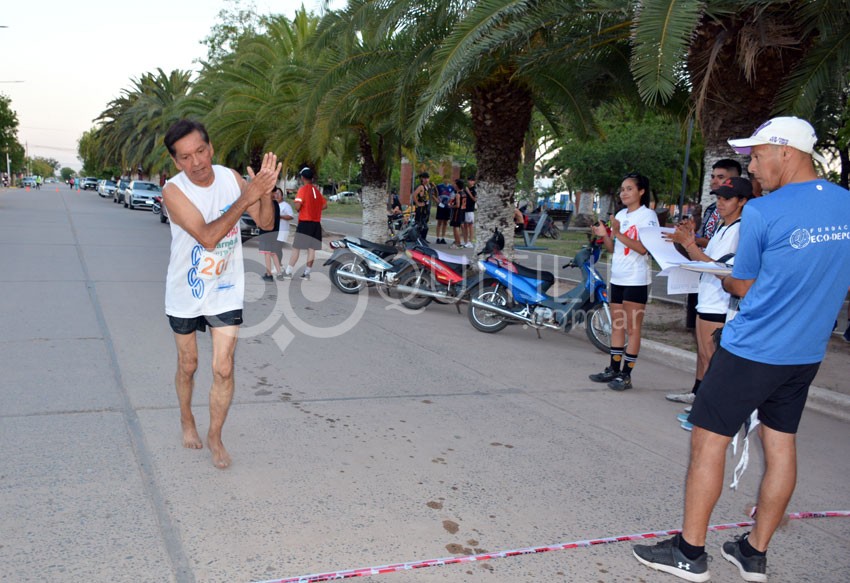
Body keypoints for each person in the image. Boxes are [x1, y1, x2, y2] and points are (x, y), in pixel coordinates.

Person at [632, 117, 850, 582]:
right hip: (805, 352)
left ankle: (689, 553)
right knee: (780, 442)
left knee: (707, 440)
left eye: (756, 155)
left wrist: (724, 277)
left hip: (753, 347)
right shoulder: (846, 204)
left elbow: (744, 285)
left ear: (785, 152)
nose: (752, 166)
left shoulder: (764, 212)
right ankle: (754, 552)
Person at [161, 119, 280, 469]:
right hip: (186, 290)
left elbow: (267, 223)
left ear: (211, 147)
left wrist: (265, 193)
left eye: (200, 151)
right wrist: (248, 196)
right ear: (176, 162)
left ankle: (215, 435)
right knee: (189, 364)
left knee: (223, 369)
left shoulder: (230, 177)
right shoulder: (173, 191)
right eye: (185, 157)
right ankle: (187, 419)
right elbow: (209, 237)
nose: (196, 162)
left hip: (225, 288)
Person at [664, 177, 753, 421]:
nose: (721, 203)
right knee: (704, 355)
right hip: (707, 298)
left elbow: (723, 269)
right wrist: (688, 243)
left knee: (716, 360)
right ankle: (700, 397)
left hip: (721, 303)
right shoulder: (723, 228)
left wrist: (690, 246)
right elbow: (707, 259)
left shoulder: (741, 230)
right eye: (719, 198)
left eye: (727, 199)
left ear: (743, 201)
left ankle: (714, 412)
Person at [589, 172, 658, 391]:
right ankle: (613, 369)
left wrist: (616, 231)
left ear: (641, 191)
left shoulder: (648, 216)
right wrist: (605, 235)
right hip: (617, 277)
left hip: (636, 279)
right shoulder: (620, 214)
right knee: (616, 326)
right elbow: (613, 249)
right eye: (622, 189)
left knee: (632, 328)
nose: (624, 193)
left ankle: (626, 375)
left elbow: (643, 248)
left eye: (629, 188)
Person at [283, 167, 327, 280]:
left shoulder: (303, 190)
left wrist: (301, 208)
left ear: (302, 177)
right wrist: (315, 209)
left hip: (305, 223)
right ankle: (307, 273)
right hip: (316, 224)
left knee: (296, 248)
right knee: (311, 250)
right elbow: (325, 205)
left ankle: (288, 272)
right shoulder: (317, 191)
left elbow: (297, 205)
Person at [259, 187, 284, 282]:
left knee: (267, 254)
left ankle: (269, 274)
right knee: (273, 253)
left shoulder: (267, 203)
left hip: (267, 232)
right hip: (275, 232)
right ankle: (279, 273)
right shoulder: (276, 204)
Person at [412, 172, 438, 241]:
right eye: (425, 178)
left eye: (427, 178)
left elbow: (434, 195)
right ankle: (418, 238)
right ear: (422, 179)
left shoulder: (429, 186)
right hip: (420, 208)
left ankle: (422, 239)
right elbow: (414, 195)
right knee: (420, 224)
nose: (426, 180)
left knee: (425, 224)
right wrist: (418, 203)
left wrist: (435, 187)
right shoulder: (421, 187)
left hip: (426, 208)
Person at [448, 179, 467, 249]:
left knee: (456, 227)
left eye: (456, 184)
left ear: (458, 185)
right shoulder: (464, 193)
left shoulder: (458, 194)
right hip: (462, 211)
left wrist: (451, 206)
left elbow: (458, 205)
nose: (454, 185)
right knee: (458, 227)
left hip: (457, 212)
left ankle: (457, 243)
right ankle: (459, 242)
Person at [463, 175, 477, 248]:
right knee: (465, 225)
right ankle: (466, 241)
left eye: (471, 180)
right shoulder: (466, 188)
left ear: (474, 181)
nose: (469, 181)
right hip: (465, 209)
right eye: (469, 180)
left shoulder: (475, 189)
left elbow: (475, 199)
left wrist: (469, 192)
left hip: (470, 210)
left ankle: (470, 242)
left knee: (470, 226)